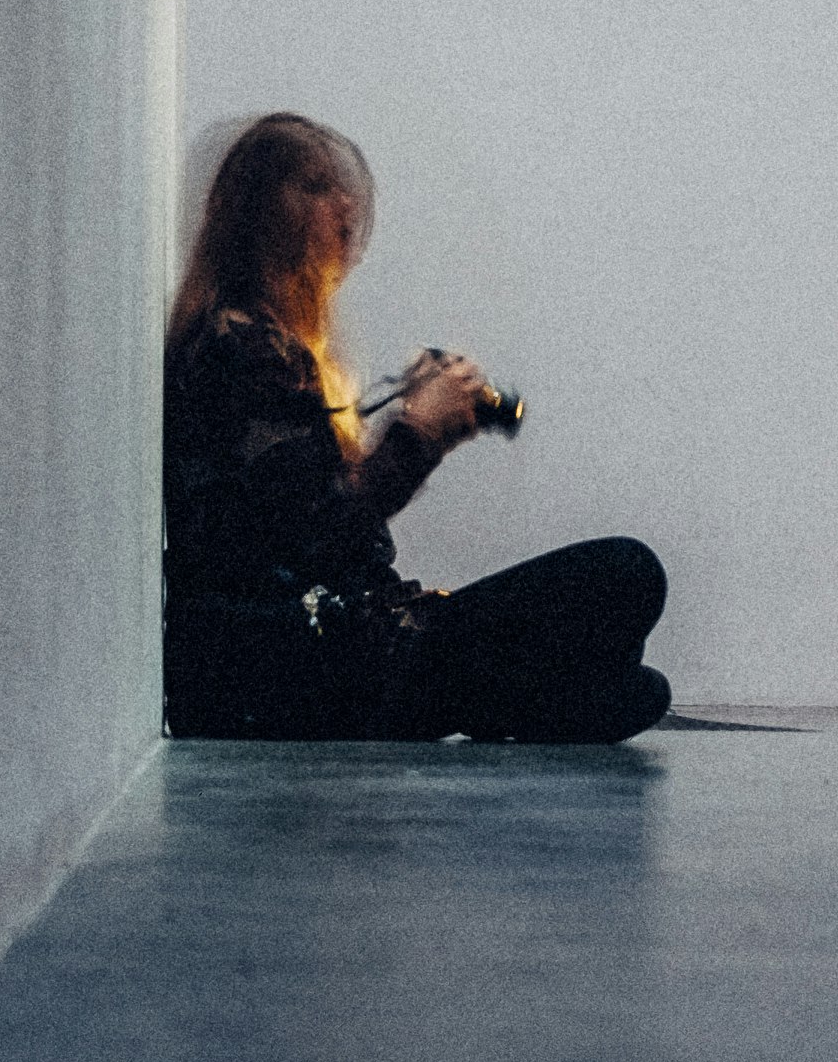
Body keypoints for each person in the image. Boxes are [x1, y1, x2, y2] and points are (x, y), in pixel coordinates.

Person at [161, 111, 671, 743]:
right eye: (317, 187)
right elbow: (314, 535)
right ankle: (473, 697)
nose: (344, 202)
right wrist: (417, 436)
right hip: (313, 665)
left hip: (337, 649)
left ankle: (481, 697)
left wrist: (428, 432)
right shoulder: (242, 343)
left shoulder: (270, 340)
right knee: (627, 574)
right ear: (264, 212)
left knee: (635, 687)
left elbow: (307, 514)